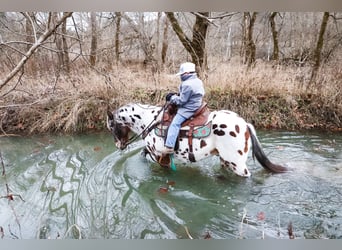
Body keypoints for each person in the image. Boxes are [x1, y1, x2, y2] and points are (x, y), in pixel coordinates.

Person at [161, 62, 205, 154]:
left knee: (174, 124)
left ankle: (169, 146)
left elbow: (182, 101)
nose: (181, 76)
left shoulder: (187, 84)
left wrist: (171, 98)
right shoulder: (198, 80)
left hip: (189, 108)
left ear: (187, 73)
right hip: (197, 103)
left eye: (182, 74)